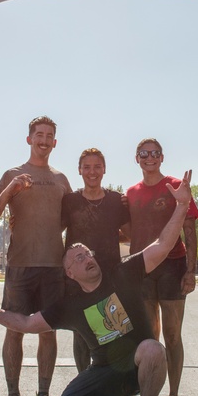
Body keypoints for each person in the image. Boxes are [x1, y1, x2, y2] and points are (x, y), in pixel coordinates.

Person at [0, 171, 193, 396]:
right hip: (104, 373)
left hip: (137, 366)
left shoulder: (123, 273)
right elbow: (26, 322)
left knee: (154, 349)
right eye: (78, 258)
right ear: (69, 273)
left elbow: (163, 244)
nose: (86, 259)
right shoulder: (69, 305)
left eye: (87, 254)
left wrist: (181, 205)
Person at [0, 116, 72, 396]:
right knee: (15, 329)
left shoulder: (61, 179)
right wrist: (10, 190)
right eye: (39, 135)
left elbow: (66, 221)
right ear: (29, 139)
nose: (44, 140)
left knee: (48, 333)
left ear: (55, 142)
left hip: (53, 267)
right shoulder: (13, 173)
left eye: (49, 136)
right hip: (19, 266)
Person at [125, 138, 198, 396]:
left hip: (172, 267)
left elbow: (190, 233)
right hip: (142, 270)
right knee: (147, 337)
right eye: (144, 154)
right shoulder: (130, 193)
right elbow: (127, 231)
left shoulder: (176, 186)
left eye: (155, 153)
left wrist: (190, 271)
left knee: (172, 335)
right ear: (137, 159)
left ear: (162, 157)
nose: (149, 158)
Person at [61, 148, 130, 375]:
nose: (92, 172)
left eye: (97, 166)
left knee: (116, 335)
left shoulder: (116, 200)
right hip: (79, 281)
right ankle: (85, 389)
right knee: (82, 337)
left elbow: (132, 234)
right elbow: (53, 231)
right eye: (87, 167)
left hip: (110, 278)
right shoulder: (70, 201)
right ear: (79, 170)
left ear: (104, 169)